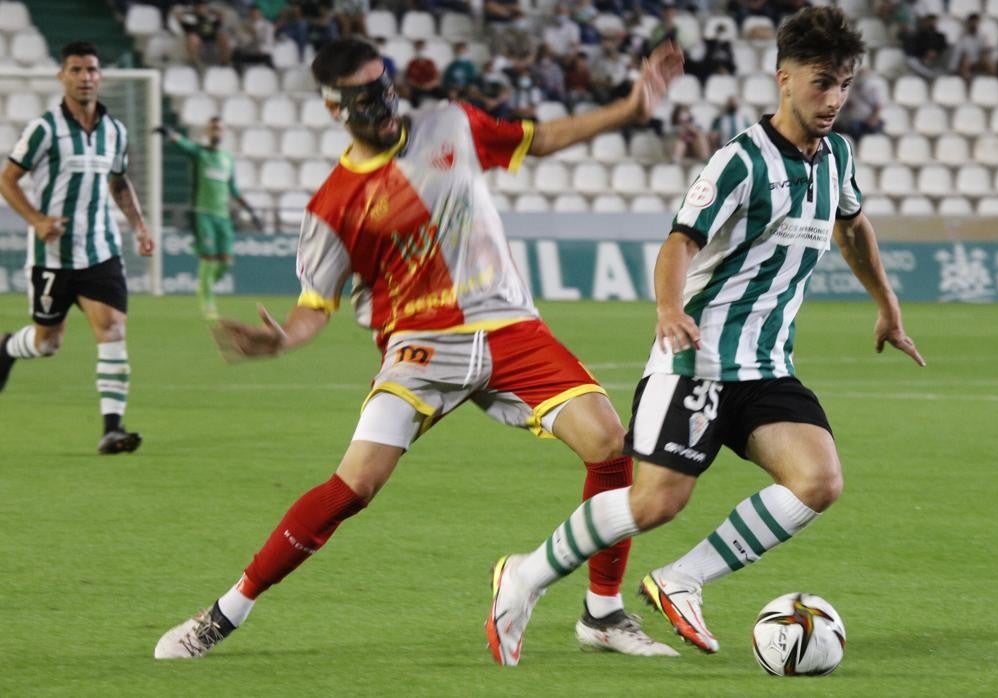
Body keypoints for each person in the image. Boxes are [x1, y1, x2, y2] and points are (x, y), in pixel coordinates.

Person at [153, 36, 687, 661]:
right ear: (333, 108)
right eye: (363, 96)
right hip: (421, 346)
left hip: (510, 327)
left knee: (608, 444)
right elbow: (312, 307)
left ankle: (602, 612)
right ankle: (224, 612)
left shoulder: (451, 124)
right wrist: (280, 340)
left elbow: (535, 139)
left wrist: (629, 108)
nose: (382, 102)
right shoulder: (333, 207)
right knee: (353, 487)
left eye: (385, 86)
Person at [485, 6, 925, 666]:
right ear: (784, 78)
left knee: (819, 480)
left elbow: (853, 227)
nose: (833, 99)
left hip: (766, 366)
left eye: (844, 84)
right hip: (697, 360)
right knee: (656, 501)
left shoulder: (837, 157)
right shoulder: (739, 162)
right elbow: (677, 244)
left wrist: (887, 306)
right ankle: (524, 575)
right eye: (821, 82)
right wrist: (668, 309)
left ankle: (681, 580)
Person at [0, 41, 155, 453]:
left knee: (113, 329)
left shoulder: (115, 131)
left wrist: (139, 226)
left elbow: (119, 183)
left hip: (102, 250)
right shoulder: (44, 129)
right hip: (54, 255)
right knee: (46, 343)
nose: (85, 77)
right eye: (76, 70)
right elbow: (7, 179)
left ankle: (112, 428)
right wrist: (36, 220)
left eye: (91, 70)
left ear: (100, 76)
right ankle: (7, 347)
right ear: (62, 76)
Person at [155, 117, 262, 319]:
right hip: (203, 213)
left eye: (220, 128)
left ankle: (205, 286)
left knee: (226, 263)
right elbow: (184, 145)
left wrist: (252, 211)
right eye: (213, 128)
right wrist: (170, 134)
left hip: (223, 217)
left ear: (224, 133)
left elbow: (233, 189)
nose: (217, 131)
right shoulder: (200, 153)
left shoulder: (227, 159)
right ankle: (208, 303)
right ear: (208, 131)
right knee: (209, 259)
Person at [832, 65, 886, 142]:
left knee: (856, 128)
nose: (861, 77)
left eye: (863, 75)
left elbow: (878, 107)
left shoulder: (873, 90)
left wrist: (872, 119)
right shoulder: (851, 89)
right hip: (852, 120)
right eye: (859, 74)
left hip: (866, 122)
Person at [947, 13, 994, 81]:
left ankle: (993, 81)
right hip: (966, 62)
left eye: (975, 22)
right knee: (966, 60)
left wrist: (984, 54)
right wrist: (953, 68)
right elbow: (957, 53)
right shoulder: (963, 37)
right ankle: (967, 85)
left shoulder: (982, 37)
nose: (974, 24)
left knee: (987, 59)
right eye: (972, 22)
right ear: (968, 23)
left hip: (978, 61)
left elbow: (984, 50)